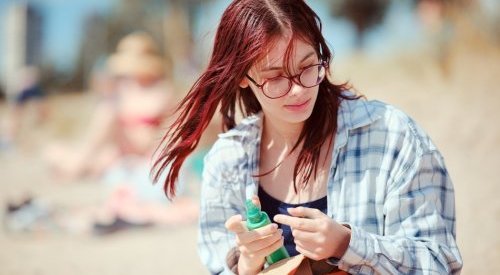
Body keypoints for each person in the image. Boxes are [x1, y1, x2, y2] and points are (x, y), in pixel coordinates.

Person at [152, 1, 463, 274]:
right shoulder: (227, 160)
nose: (299, 89)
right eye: (274, 77)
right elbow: (218, 264)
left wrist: (347, 243)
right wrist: (246, 262)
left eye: (306, 66)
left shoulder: (391, 136)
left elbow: (439, 261)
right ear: (243, 78)